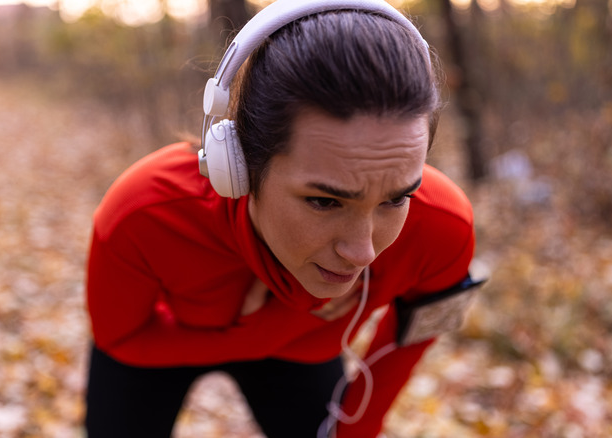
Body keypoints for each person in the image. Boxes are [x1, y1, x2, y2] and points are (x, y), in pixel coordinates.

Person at [84, 0, 482, 436]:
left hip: (299, 357)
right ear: (238, 166)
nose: (362, 251)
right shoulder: (142, 215)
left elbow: (407, 343)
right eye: (325, 202)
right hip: (159, 346)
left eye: (396, 198)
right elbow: (119, 339)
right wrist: (269, 329)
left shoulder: (443, 228)